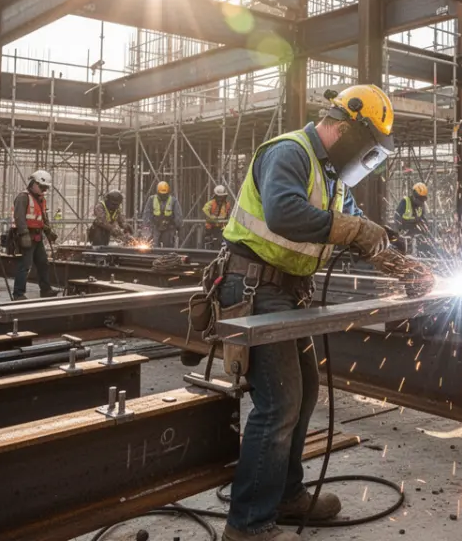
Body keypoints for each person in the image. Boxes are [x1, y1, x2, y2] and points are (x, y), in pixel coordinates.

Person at [215, 84, 432, 541]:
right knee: (279, 402)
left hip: (288, 293)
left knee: (306, 391)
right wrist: (356, 228)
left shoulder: (332, 177)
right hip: (255, 286)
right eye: (369, 147)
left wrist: (401, 264)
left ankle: (286, 496)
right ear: (349, 128)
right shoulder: (290, 152)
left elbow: (359, 233)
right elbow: (283, 213)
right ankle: (248, 524)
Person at [12, 170, 57, 299]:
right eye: (42, 187)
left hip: (37, 237)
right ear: (34, 183)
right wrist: (24, 234)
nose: (44, 190)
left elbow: (43, 218)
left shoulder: (41, 199)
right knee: (24, 265)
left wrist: (48, 231)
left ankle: (45, 289)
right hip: (27, 236)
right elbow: (19, 217)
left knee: (43, 263)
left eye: (46, 188)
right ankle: (18, 293)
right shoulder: (23, 197)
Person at [142, 181, 183, 248]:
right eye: (161, 194)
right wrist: (146, 227)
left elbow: (178, 215)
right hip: (155, 227)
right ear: (157, 192)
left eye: (165, 194)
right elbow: (147, 214)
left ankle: (167, 257)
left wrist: (178, 226)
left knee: (168, 247)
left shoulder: (173, 200)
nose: (163, 195)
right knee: (153, 246)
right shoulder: (152, 199)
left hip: (169, 227)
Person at [392, 182, 430, 254]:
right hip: (404, 228)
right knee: (401, 249)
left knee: (424, 244)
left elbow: (424, 219)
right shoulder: (405, 202)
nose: (421, 202)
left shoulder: (422, 205)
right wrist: (400, 231)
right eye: (420, 199)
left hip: (414, 229)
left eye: (423, 199)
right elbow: (397, 217)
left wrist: (426, 231)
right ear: (414, 196)